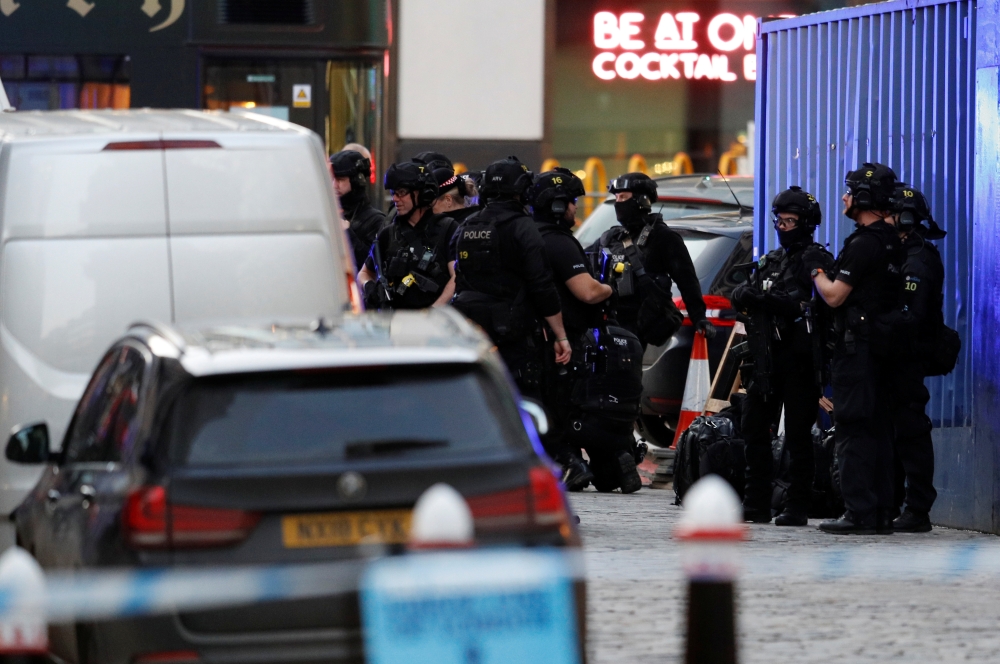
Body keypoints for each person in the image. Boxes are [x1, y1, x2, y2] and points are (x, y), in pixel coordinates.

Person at [450, 157, 575, 471]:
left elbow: (457, 277)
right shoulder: (523, 228)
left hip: (472, 332)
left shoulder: (468, 225)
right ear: (521, 190)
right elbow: (541, 285)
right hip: (515, 334)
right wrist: (560, 334)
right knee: (527, 407)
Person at [528, 168, 644, 493]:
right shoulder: (559, 242)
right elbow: (588, 292)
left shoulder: (531, 235)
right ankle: (599, 463)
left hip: (544, 338)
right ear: (556, 206)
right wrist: (609, 287)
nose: (575, 209)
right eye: (571, 203)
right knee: (570, 409)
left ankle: (604, 467)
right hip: (564, 340)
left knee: (564, 408)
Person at [805, 162, 903, 535]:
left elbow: (833, 296)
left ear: (863, 197)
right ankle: (879, 513)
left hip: (857, 352)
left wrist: (816, 269)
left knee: (852, 428)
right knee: (879, 429)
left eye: (849, 192)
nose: (843, 198)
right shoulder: (892, 240)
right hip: (882, 351)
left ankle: (858, 511)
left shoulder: (863, 243)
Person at [732, 187, 834, 525]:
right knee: (754, 428)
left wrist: (767, 300)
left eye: (790, 221)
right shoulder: (773, 260)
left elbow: (811, 305)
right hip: (766, 357)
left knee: (799, 435)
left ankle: (797, 506)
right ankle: (755, 503)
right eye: (779, 220)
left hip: (799, 359)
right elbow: (746, 288)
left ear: (805, 223)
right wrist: (743, 294)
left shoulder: (815, 259)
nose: (783, 226)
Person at [592, 172, 715, 349]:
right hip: (609, 325)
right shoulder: (611, 238)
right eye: (617, 198)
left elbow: (687, 281)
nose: (619, 203)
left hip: (641, 327)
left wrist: (699, 317)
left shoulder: (663, 238)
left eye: (624, 197)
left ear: (642, 200)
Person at [887, 183, 946, 533]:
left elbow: (911, 314)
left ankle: (918, 508)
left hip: (909, 356)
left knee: (910, 432)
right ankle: (897, 503)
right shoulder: (902, 252)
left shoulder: (918, 258)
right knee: (897, 432)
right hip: (898, 355)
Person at [357, 162, 457, 310]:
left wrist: (434, 311)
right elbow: (364, 273)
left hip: (434, 324)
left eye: (402, 192)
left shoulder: (447, 229)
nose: (395, 199)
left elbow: (457, 277)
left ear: (422, 194)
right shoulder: (388, 234)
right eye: (393, 193)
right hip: (395, 322)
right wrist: (369, 285)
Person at [330, 150, 386, 272]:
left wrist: (347, 234)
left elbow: (372, 267)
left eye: (340, 179)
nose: (334, 185)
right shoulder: (326, 215)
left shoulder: (376, 221)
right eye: (331, 179)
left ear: (357, 181)